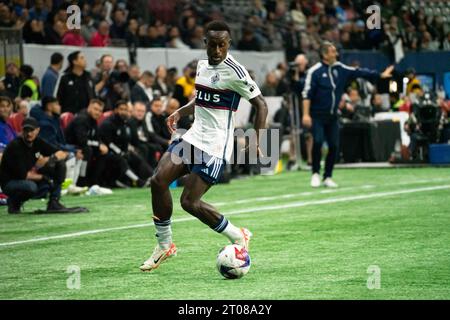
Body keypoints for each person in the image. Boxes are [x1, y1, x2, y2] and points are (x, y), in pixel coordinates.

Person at [139, 20, 268, 272]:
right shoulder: (201, 66)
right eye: (213, 45)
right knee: (157, 181)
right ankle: (165, 246)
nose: (217, 51)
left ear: (228, 44)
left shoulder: (236, 71)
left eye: (222, 45)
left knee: (190, 202)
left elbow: (261, 105)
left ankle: (237, 234)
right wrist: (181, 111)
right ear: (205, 43)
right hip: (193, 137)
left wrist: (256, 140)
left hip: (215, 147)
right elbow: (201, 97)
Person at [302, 41, 393, 188]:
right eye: (332, 51)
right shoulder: (315, 71)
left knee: (334, 145)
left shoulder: (340, 68)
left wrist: (380, 75)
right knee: (317, 142)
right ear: (325, 54)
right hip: (317, 115)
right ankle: (315, 173)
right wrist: (306, 115)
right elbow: (306, 94)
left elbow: (359, 72)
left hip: (333, 116)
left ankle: (328, 176)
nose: (336, 54)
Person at [0, 117, 79, 214]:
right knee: (31, 187)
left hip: (27, 177)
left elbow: (61, 153)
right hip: (10, 182)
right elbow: (23, 175)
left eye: (31, 130)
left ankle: (54, 201)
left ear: (38, 130)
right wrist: (44, 177)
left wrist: (52, 160)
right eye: (26, 130)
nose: (29, 134)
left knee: (60, 165)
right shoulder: (16, 146)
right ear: (22, 130)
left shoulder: (38, 142)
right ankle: (14, 202)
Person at [98, 100, 152, 188]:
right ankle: (138, 182)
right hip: (107, 152)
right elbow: (109, 143)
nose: (124, 112)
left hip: (120, 151)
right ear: (115, 110)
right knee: (121, 160)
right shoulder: (108, 124)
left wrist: (126, 150)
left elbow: (126, 140)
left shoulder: (124, 123)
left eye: (126, 110)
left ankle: (152, 177)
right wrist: (121, 152)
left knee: (136, 157)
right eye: (121, 109)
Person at [65, 99, 109, 187]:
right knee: (87, 150)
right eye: (95, 109)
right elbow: (82, 140)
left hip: (84, 145)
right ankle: (81, 180)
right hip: (71, 146)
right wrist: (98, 145)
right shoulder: (82, 119)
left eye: (100, 111)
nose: (97, 113)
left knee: (104, 153)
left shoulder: (93, 121)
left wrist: (101, 144)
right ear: (89, 107)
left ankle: (95, 181)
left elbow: (96, 137)